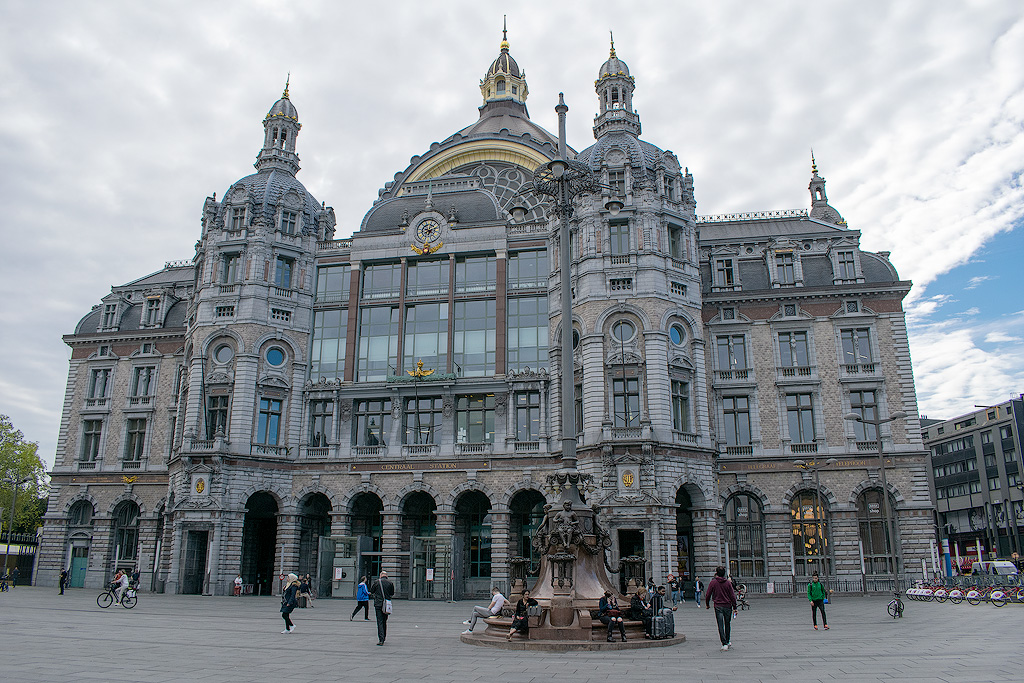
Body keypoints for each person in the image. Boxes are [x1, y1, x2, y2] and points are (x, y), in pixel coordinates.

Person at [705, 566, 738, 651]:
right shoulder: (728, 583)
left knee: (720, 625)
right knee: (727, 623)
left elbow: (708, 594)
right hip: (727, 605)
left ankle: (724, 643)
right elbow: (732, 596)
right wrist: (735, 607)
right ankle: (727, 640)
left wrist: (707, 604)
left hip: (718, 606)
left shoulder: (713, 583)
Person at [370, 570, 395, 646]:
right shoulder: (390, 583)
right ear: (386, 576)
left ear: (380, 575)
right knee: (384, 620)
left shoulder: (377, 582)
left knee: (379, 621)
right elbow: (392, 593)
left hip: (378, 603)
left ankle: (381, 639)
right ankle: (384, 636)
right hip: (386, 604)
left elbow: (372, 591)